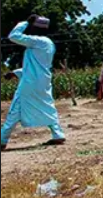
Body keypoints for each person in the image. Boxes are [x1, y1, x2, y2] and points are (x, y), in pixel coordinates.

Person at [1, 16, 66, 151]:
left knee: (16, 109)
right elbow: (35, 66)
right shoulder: (49, 43)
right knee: (48, 107)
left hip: (30, 82)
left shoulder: (36, 41)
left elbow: (13, 36)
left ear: (34, 28)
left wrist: (25, 22)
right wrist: (15, 73)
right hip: (43, 81)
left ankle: (2, 139)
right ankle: (58, 134)